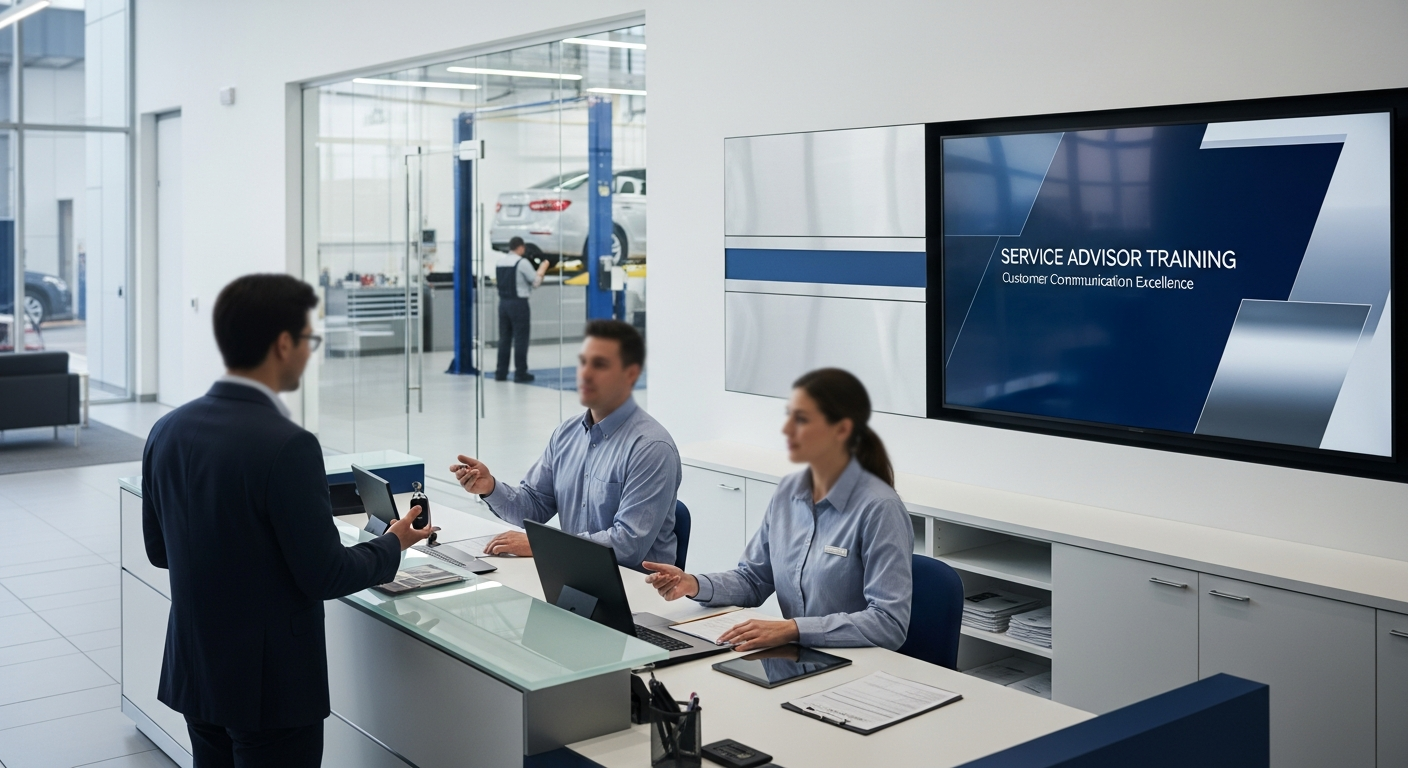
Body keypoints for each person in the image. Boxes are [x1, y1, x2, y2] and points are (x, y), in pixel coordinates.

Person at [142, 274, 436, 767]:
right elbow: (326, 574)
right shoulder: (287, 444)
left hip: (197, 670)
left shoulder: (168, 428)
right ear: (283, 344)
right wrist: (393, 543)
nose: (308, 353)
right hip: (269, 689)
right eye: (308, 340)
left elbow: (159, 551)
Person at [642, 368, 913, 652]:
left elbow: (889, 623)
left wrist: (794, 629)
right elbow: (753, 580)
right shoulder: (789, 492)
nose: (786, 430)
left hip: (855, 664)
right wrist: (693, 584)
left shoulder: (880, 509)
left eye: (802, 420)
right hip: (800, 656)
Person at [452, 319, 680, 569]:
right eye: (583, 363)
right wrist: (490, 487)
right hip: (574, 572)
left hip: (635, 589)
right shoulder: (567, 434)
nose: (586, 374)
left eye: (600, 365)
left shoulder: (651, 447)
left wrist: (543, 546)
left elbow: (627, 544)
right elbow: (535, 506)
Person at [496, 236, 551, 382]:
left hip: (503, 304)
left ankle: (500, 372)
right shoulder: (522, 262)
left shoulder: (500, 262)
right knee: (521, 339)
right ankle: (520, 373)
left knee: (504, 339)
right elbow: (535, 282)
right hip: (518, 304)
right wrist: (542, 268)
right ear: (520, 247)